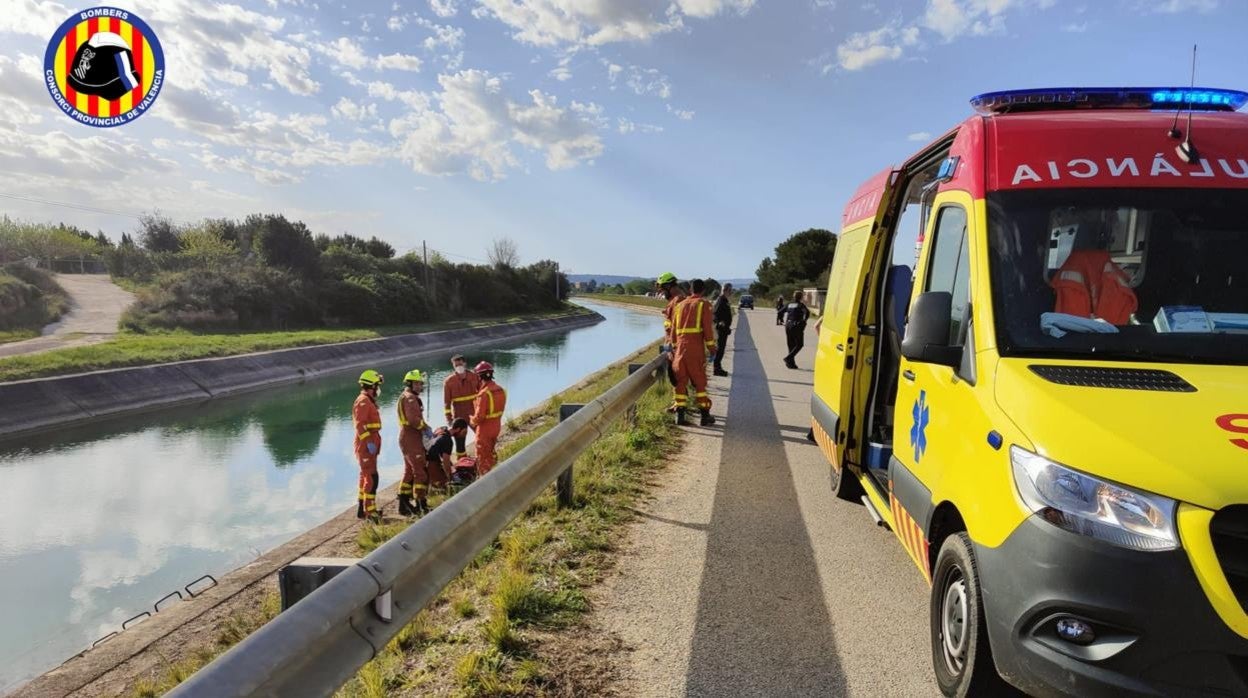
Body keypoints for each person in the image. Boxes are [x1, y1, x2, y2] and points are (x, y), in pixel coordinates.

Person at [672, 278, 717, 426]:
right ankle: (704, 416)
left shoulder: (679, 306)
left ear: (690, 290)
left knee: (680, 382)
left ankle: (680, 415)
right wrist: (712, 349)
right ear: (703, 290)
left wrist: (674, 348)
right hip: (695, 349)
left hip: (679, 349)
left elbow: (673, 331)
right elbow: (708, 330)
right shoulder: (703, 304)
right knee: (699, 383)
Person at [396, 369, 430, 517]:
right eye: (417, 383)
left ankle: (403, 504)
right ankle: (421, 504)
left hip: (408, 437)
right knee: (420, 472)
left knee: (409, 471)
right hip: (411, 437)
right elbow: (414, 420)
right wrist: (426, 428)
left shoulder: (407, 396)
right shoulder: (410, 399)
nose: (419, 386)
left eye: (420, 383)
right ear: (410, 383)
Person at [352, 369, 384, 522]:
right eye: (377, 385)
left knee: (365, 476)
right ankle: (370, 512)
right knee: (372, 478)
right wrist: (369, 442)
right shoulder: (363, 401)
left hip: (370, 443)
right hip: (366, 445)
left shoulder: (368, 400)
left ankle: (361, 508)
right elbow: (360, 426)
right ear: (372, 386)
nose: (378, 388)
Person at [470, 361, 507, 475]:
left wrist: (472, 420)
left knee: (482, 455)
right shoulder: (501, 390)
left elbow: (479, 417)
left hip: (484, 429)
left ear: (480, 377)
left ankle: (485, 478)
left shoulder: (483, 394)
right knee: (491, 451)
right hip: (496, 426)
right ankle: (495, 472)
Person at [443, 354, 482, 460]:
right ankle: (462, 463)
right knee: (460, 443)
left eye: (460, 364)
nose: (458, 366)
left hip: (475, 414)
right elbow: (446, 403)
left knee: (482, 437)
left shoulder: (475, 377)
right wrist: (449, 420)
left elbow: (483, 395)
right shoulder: (449, 381)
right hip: (459, 417)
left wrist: (483, 412)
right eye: (455, 365)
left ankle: (485, 457)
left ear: (465, 363)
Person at [656, 272, 686, 411]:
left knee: (676, 376)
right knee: (675, 376)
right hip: (673, 345)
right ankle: (678, 403)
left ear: (669, 286)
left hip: (676, 346)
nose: (662, 293)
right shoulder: (675, 301)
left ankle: (680, 406)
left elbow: (676, 326)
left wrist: (671, 347)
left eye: (662, 289)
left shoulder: (678, 301)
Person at [425, 418, 469, 486]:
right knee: (443, 484)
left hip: (424, 457)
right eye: (464, 432)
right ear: (458, 429)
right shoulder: (448, 441)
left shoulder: (441, 430)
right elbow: (446, 462)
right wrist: (451, 479)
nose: (463, 435)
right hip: (430, 462)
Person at [783, 290, 811, 369]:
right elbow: (807, 313)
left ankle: (791, 364)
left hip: (788, 325)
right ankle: (788, 358)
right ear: (801, 297)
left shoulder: (789, 304)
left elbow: (780, 311)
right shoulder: (801, 305)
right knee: (799, 344)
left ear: (793, 296)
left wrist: (781, 320)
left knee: (790, 345)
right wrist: (804, 321)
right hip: (796, 326)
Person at [712, 283, 733, 377]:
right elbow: (715, 314)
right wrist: (720, 322)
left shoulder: (724, 300)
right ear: (725, 290)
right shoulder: (721, 300)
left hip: (724, 329)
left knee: (721, 349)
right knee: (720, 349)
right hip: (721, 329)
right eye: (730, 290)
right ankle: (716, 368)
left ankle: (718, 366)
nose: (731, 292)